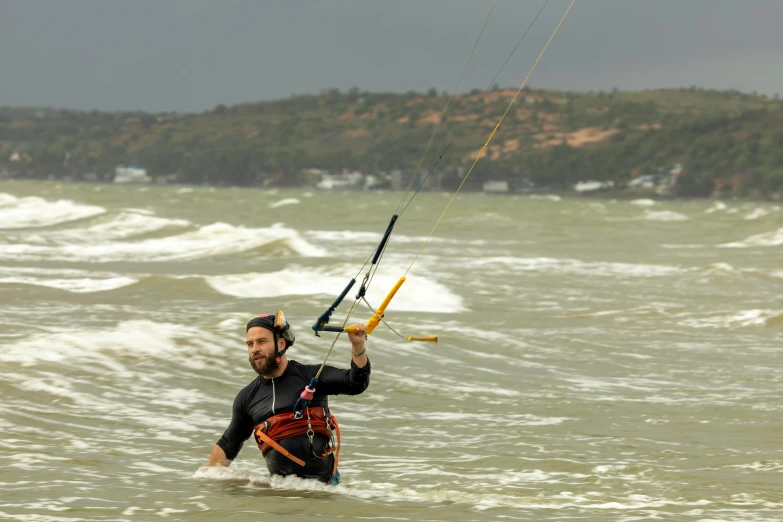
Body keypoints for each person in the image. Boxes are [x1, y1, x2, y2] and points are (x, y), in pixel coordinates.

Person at [203, 311, 370, 484]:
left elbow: (356, 383)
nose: (255, 349)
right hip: (281, 493)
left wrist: (358, 347)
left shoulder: (311, 376)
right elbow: (229, 443)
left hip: (324, 489)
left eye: (261, 341)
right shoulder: (247, 398)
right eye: (250, 344)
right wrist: (204, 477)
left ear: (281, 343)